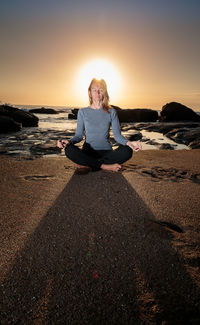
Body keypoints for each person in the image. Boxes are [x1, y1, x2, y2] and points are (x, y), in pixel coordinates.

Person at [57, 78, 142, 173]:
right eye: (94, 90)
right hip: (88, 152)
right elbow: (78, 136)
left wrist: (130, 143)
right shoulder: (82, 112)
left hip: (107, 153)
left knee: (127, 151)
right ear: (90, 92)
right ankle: (105, 166)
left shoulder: (112, 112)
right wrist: (68, 141)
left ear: (104, 93)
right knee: (69, 150)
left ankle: (90, 165)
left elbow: (117, 136)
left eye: (100, 90)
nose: (97, 93)